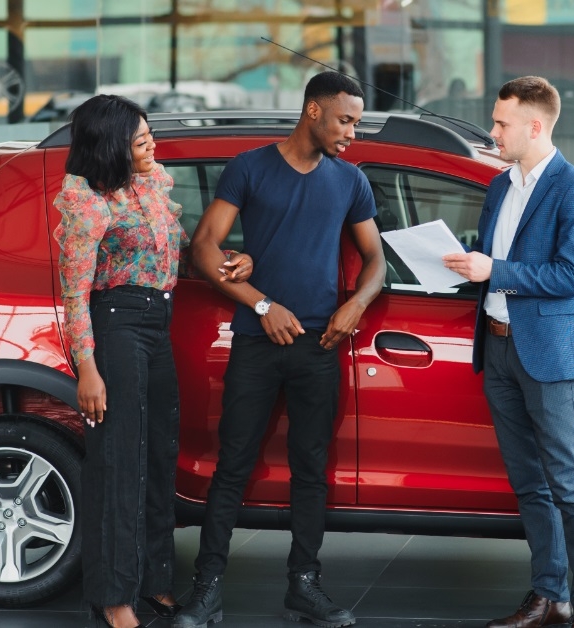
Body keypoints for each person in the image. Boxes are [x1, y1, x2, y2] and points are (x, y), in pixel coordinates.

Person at [173, 71, 386, 628]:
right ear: (313, 111)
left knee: (311, 469)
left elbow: (377, 261)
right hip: (257, 344)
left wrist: (355, 305)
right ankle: (207, 588)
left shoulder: (349, 181)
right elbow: (204, 247)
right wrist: (263, 306)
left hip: (320, 344)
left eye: (357, 123)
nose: (352, 133)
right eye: (346, 120)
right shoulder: (249, 168)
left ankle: (305, 586)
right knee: (233, 464)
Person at [54, 95, 249, 628]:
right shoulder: (87, 204)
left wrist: (233, 258)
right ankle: (114, 599)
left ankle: (154, 582)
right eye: (141, 141)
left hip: (156, 327)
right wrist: (87, 368)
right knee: (118, 463)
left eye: (149, 137)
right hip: (116, 328)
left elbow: (175, 253)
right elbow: (74, 294)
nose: (153, 146)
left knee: (159, 457)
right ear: (113, 145)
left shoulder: (151, 186)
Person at [443, 76, 574, 628]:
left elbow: (568, 276)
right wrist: (465, 266)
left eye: (501, 123)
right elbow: (496, 265)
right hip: (499, 349)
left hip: (550, 357)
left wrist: (495, 271)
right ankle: (549, 596)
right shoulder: (499, 188)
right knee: (529, 484)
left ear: (535, 126)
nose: (493, 131)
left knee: (569, 482)